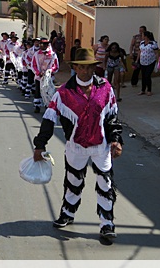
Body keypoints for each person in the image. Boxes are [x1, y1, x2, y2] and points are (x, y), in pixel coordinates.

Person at [32, 47, 124, 241]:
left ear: (94, 68)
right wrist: (40, 145)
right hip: (76, 146)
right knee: (73, 181)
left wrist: (116, 140)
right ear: (74, 67)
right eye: (81, 67)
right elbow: (49, 119)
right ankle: (67, 212)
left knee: (105, 183)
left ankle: (107, 223)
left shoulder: (106, 88)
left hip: (101, 146)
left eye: (89, 67)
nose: (85, 71)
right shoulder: (64, 92)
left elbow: (112, 117)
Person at [30, 37, 59, 113]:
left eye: (45, 44)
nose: (44, 45)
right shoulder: (36, 54)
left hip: (48, 78)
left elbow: (56, 66)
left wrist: (50, 71)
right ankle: (37, 106)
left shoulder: (52, 54)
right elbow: (33, 65)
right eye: (42, 44)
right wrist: (38, 72)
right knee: (37, 91)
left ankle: (48, 106)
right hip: (39, 77)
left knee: (48, 92)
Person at [136, 31, 158, 97]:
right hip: (142, 62)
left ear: (146, 36)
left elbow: (156, 52)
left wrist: (158, 61)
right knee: (143, 76)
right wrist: (137, 60)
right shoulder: (142, 43)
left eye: (143, 35)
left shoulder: (153, 43)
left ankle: (149, 90)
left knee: (147, 75)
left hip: (150, 62)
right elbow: (140, 52)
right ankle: (143, 89)